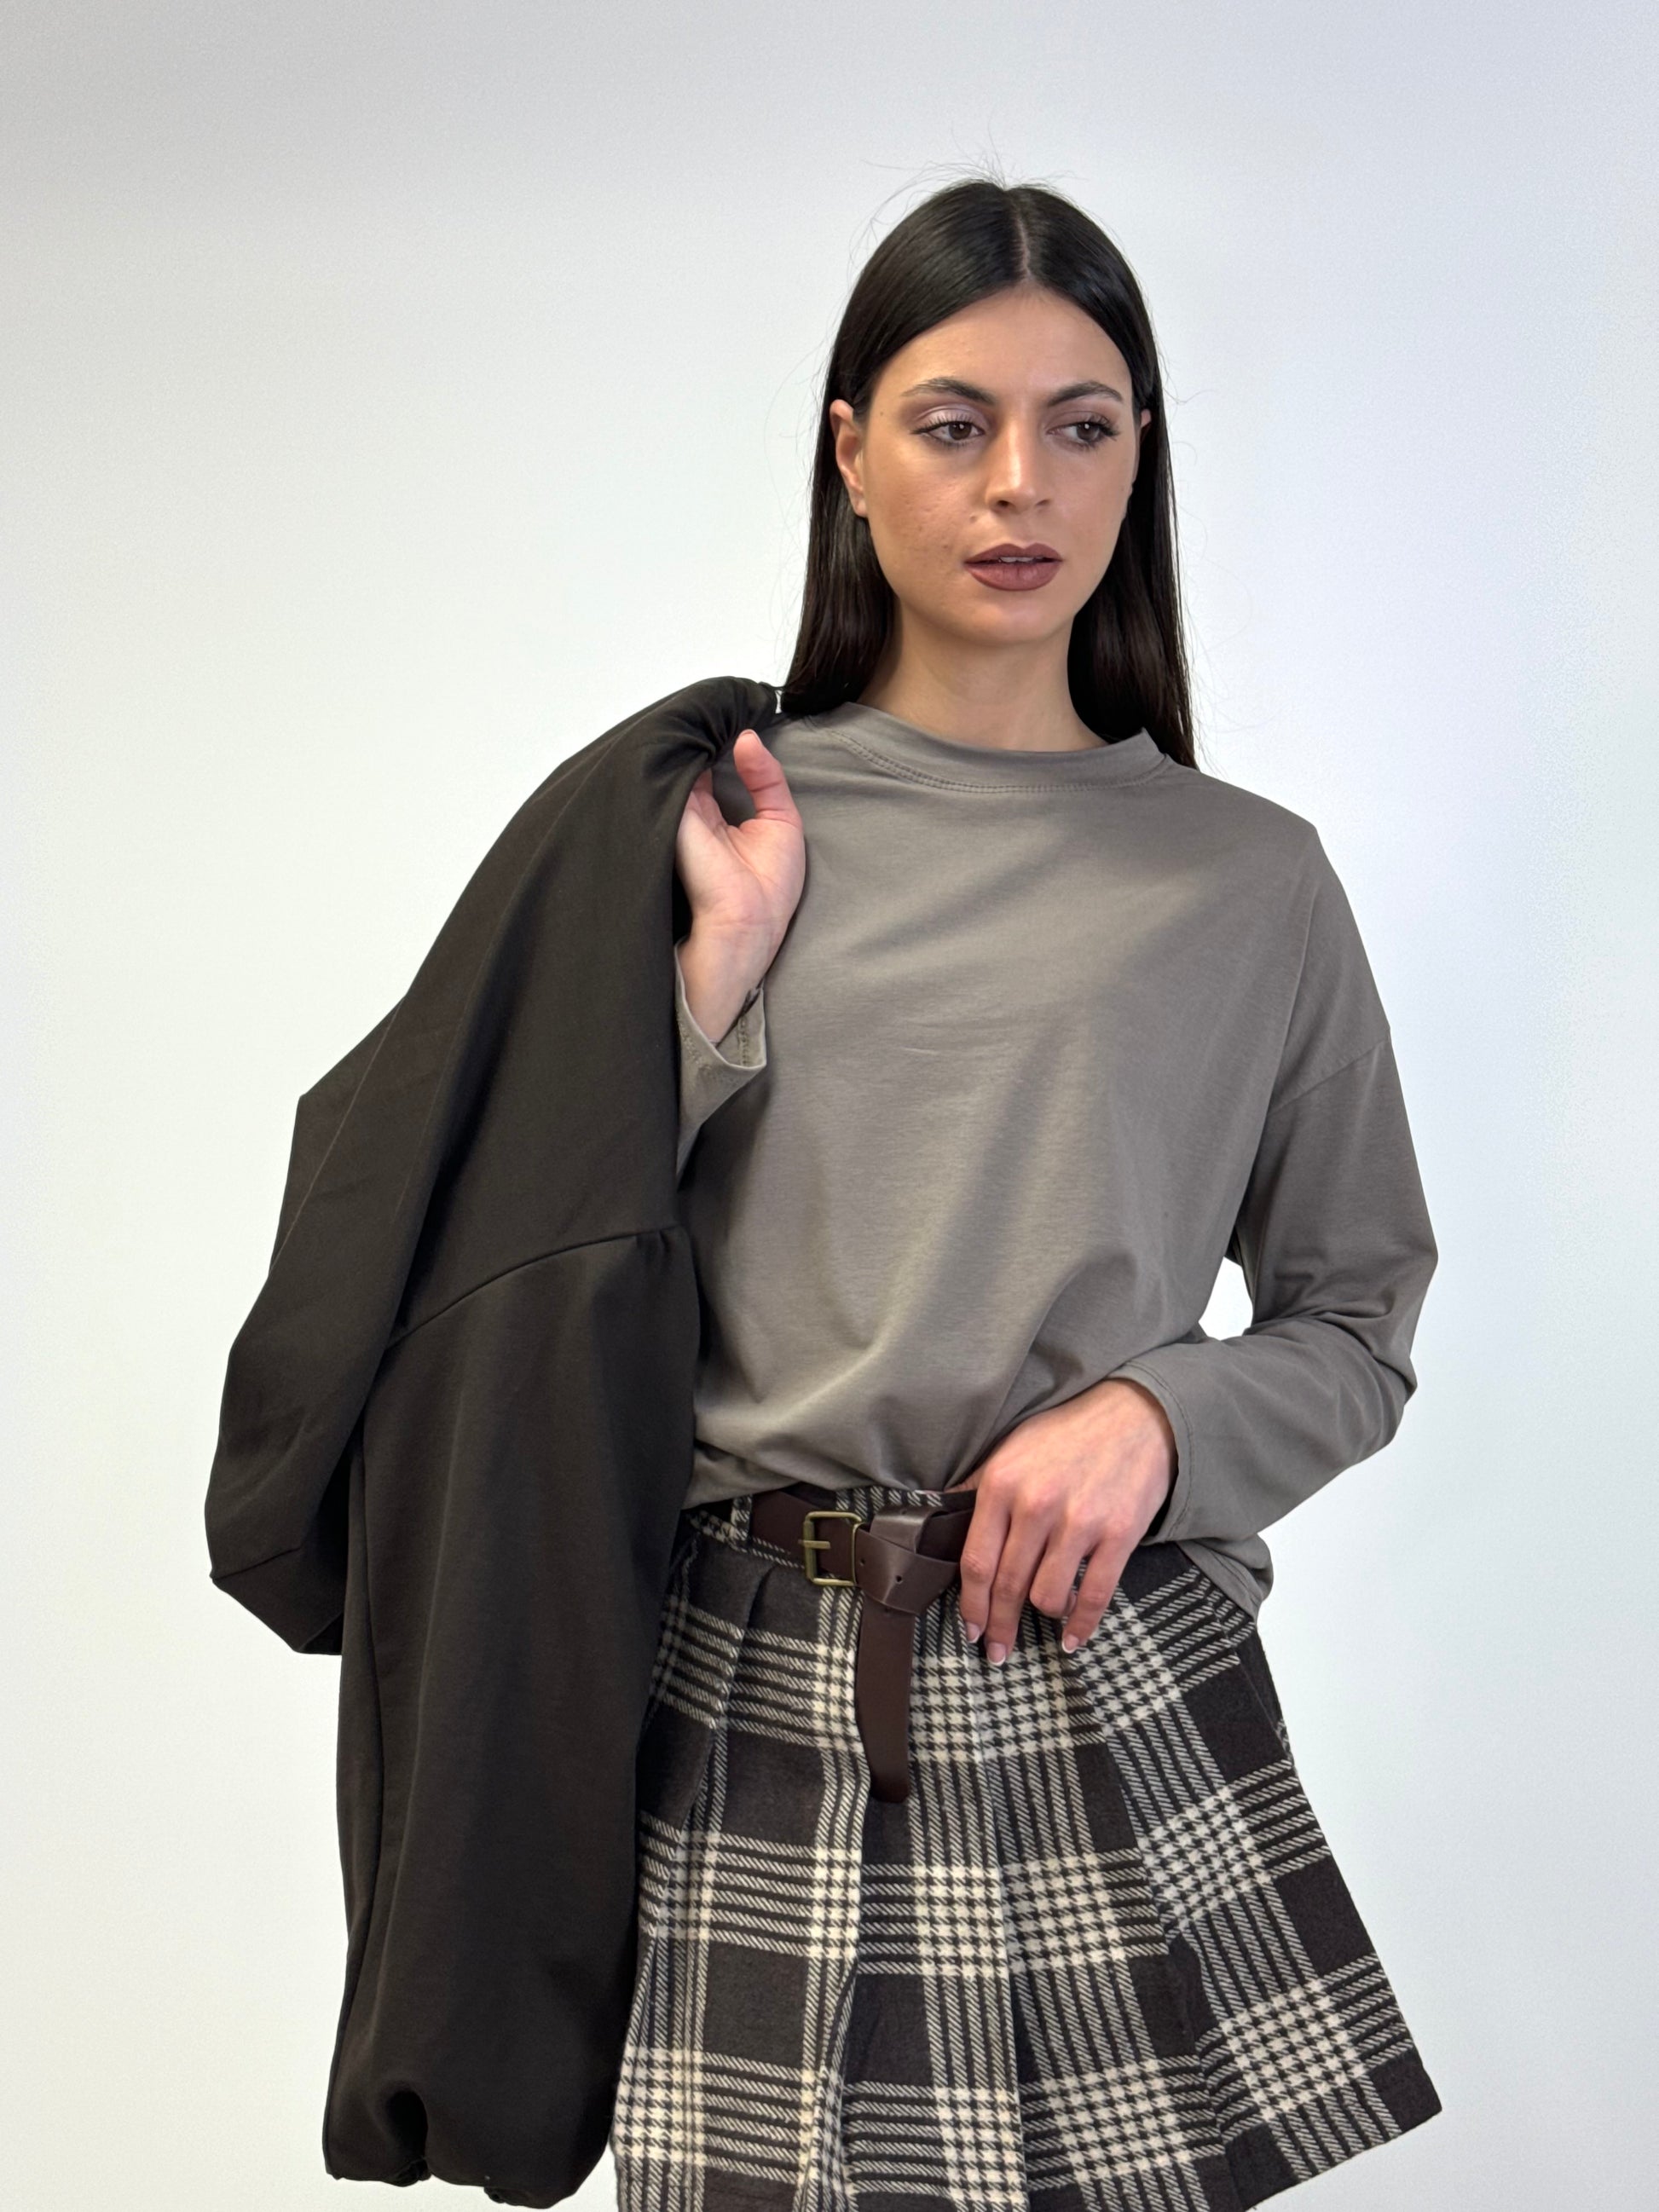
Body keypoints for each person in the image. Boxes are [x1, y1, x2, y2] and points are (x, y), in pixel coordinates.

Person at [608, 178, 1442, 2210]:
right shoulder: (711, 827)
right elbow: (527, 1264)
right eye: (952, 419)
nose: (1019, 483)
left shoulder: (1250, 880)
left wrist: (1160, 1414)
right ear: (850, 452)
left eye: (1081, 423)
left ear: (1140, 456)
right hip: (739, 1685)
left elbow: (1356, 1324)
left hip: (1094, 1666)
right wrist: (709, 983)